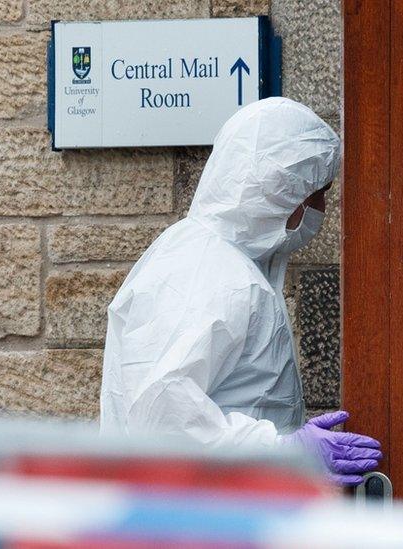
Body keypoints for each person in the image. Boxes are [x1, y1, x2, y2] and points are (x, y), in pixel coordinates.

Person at [99, 97, 382, 486]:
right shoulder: (210, 273)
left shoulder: (211, 256)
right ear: (283, 191)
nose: (322, 205)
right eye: (318, 192)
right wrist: (283, 453)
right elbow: (160, 412)